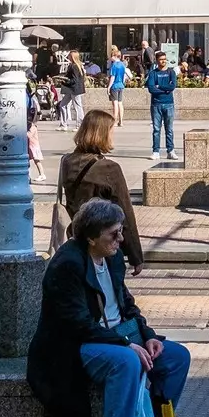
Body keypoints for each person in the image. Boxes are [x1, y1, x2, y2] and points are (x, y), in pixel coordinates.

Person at [29, 198, 190, 417]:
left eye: (121, 231)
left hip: (119, 335)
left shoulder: (112, 257)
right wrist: (126, 344)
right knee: (127, 362)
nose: (120, 239)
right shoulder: (67, 264)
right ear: (91, 237)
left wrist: (149, 336)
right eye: (113, 234)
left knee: (176, 357)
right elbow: (78, 324)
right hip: (76, 344)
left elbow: (127, 304)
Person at [59, 109, 145, 272]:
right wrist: (135, 256)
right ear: (103, 134)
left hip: (76, 239)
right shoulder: (109, 169)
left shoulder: (67, 161)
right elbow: (125, 213)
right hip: (104, 245)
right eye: (111, 131)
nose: (113, 136)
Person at [147, 50, 179, 161]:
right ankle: (156, 151)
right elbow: (151, 88)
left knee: (169, 129)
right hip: (156, 104)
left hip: (169, 104)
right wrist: (164, 88)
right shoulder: (153, 73)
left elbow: (172, 87)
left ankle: (170, 150)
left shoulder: (171, 72)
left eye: (165, 59)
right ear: (157, 60)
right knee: (156, 129)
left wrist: (159, 86)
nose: (163, 61)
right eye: (161, 59)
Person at [107, 47, 127, 119]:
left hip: (114, 85)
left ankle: (114, 120)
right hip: (121, 85)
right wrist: (123, 83)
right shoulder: (122, 64)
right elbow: (124, 76)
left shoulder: (114, 65)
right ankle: (120, 120)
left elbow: (112, 77)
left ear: (115, 56)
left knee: (115, 103)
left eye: (112, 55)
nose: (111, 57)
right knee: (120, 103)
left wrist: (109, 87)